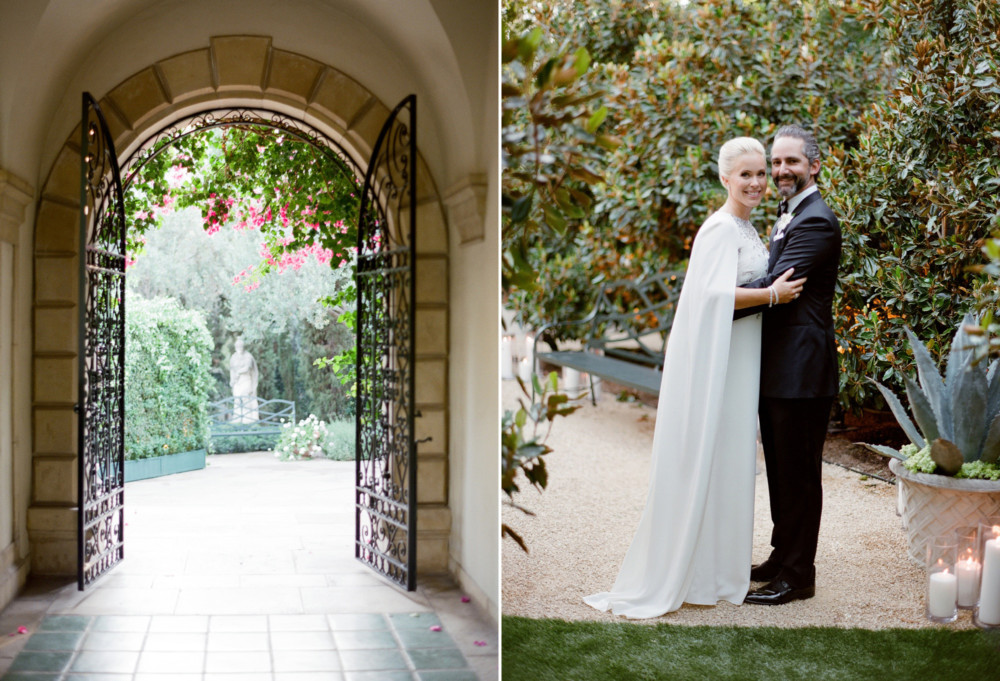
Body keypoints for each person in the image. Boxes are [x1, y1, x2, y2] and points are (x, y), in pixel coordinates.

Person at [584, 137, 805, 618]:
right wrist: (770, 295)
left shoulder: (747, 228)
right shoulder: (720, 229)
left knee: (730, 458)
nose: (755, 182)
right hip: (720, 364)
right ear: (725, 178)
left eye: (761, 174)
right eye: (745, 174)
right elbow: (708, 296)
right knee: (713, 452)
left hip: (742, 358)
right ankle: (698, 571)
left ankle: (720, 569)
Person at [735, 125, 842, 606]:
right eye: (776, 163)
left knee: (799, 473)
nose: (780, 171)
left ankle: (799, 573)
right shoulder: (787, 214)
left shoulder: (816, 220)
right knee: (780, 469)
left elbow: (778, 285)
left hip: (802, 369)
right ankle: (782, 554)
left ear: (814, 166)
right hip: (777, 367)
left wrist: (721, 295)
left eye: (790, 162)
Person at [229, 337, 260, 423]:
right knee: (237, 398)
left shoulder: (248, 356)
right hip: (237, 380)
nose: (239, 348)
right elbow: (231, 369)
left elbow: (247, 368)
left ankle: (248, 418)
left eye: (240, 346)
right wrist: (232, 379)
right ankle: (238, 417)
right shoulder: (234, 357)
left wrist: (238, 372)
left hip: (245, 379)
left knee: (246, 397)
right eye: (237, 346)